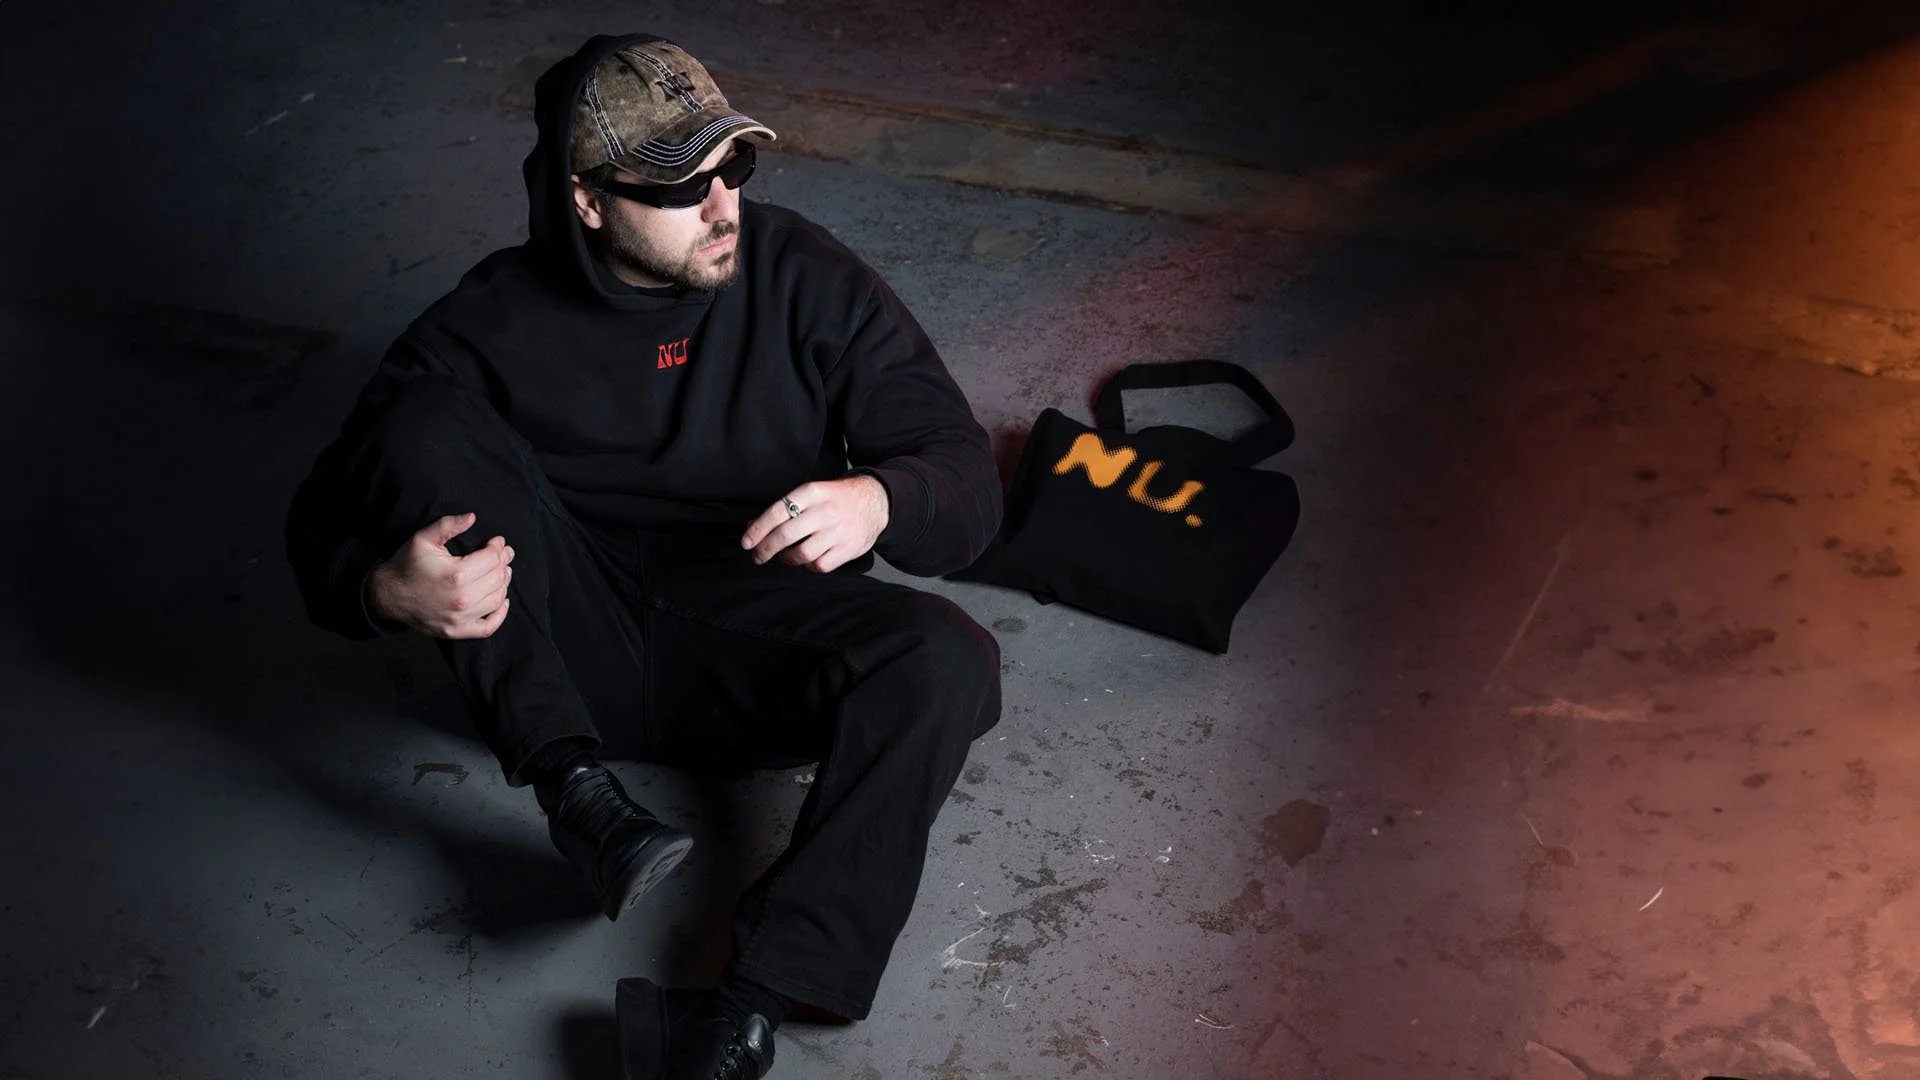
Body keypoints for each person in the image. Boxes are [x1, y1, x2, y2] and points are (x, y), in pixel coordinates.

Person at [285, 33, 1003, 1080]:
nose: (724, 208)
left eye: (734, 170)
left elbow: (966, 487)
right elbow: (317, 517)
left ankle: (738, 1017)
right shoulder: (485, 326)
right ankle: (583, 802)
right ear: (587, 201)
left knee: (948, 657)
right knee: (423, 426)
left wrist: (883, 497)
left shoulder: (802, 276)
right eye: (682, 187)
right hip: (567, 657)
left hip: (756, 645)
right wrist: (380, 588)